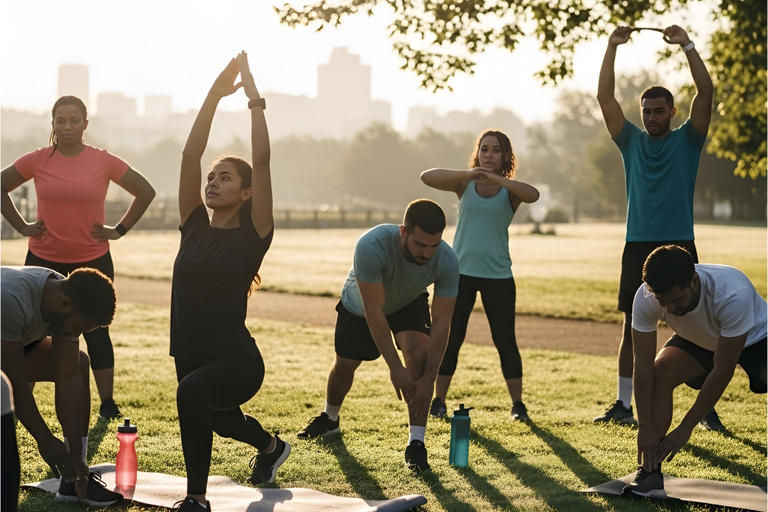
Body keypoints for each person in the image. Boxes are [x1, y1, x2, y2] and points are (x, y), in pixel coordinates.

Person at [171, 53, 286, 512]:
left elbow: (262, 159)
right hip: (189, 349)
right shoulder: (193, 226)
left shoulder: (253, 234)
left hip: (237, 361)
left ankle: (196, 499)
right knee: (220, 421)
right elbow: (189, 155)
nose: (213, 182)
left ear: (246, 192)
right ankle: (271, 447)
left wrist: (254, 101)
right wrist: (214, 95)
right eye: (212, 178)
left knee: (191, 396)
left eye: (226, 178)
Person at [1, 95, 156, 420]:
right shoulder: (38, 159)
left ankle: (107, 403)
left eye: (74, 120)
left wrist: (119, 229)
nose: (67, 127)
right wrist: (22, 226)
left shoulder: (103, 160)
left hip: (93, 260)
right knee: (31, 334)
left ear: (86, 123)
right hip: (43, 262)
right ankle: (16, 404)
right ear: (53, 124)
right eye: (61, 121)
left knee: (97, 331)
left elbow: (145, 190)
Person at [594, 24, 714, 427]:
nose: (651, 117)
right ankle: (623, 404)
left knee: (696, 324)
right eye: (646, 111)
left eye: (659, 110)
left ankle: (707, 409)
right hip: (638, 244)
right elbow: (605, 97)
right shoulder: (630, 140)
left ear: (672, 112)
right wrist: (611, 46)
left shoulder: (688, 140)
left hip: (679, 243)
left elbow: (706, 93)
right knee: (631, 327)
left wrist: (688, 46)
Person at [297, 198, 459, 471]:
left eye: (434, 245)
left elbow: (442, 323)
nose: (428, 254)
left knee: (419, 353)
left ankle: (416, 443)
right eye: (421, 244)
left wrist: (429, 379)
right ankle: (330, 418)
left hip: (408, 299)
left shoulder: (447, 260)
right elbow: (374, 311)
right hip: (360, 306)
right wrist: (395, 367)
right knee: (345, 365)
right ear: (403, 232)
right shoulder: (371, 245)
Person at [622, 245, 766, 496]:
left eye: (676, 300)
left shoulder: (732, 294)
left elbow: (723, 369)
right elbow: (642, 364)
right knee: (660, 372)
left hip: (757, 337)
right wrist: (644, 425)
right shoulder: (646, 296)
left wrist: (686, 426)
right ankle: (650, 473)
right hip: (699, 339)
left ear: (695, 281)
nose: (669, 308)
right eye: (662, 301)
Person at [420, 130, 539, 421]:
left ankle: (518, 406)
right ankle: (439, 401)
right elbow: (427, 176)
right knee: (450, 338)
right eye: (484, 149)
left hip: (498, 276)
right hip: (459, 275)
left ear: (505, 156)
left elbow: (533, 195)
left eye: (496, 150)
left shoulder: (510, 192)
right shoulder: (465, 184)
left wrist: (498, 179)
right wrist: (469, 174)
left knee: (505, 341)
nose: (489, 155)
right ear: (478, 153)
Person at [0, 265, 123, 506]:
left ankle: (73, 479)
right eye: (78, 328)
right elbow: (13, 381)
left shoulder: (61, 292)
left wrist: (75, 454)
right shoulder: (11, 300)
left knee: (78, 362)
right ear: (65, 305)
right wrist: (44, 439)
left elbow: (68, 376)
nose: (76, 334)